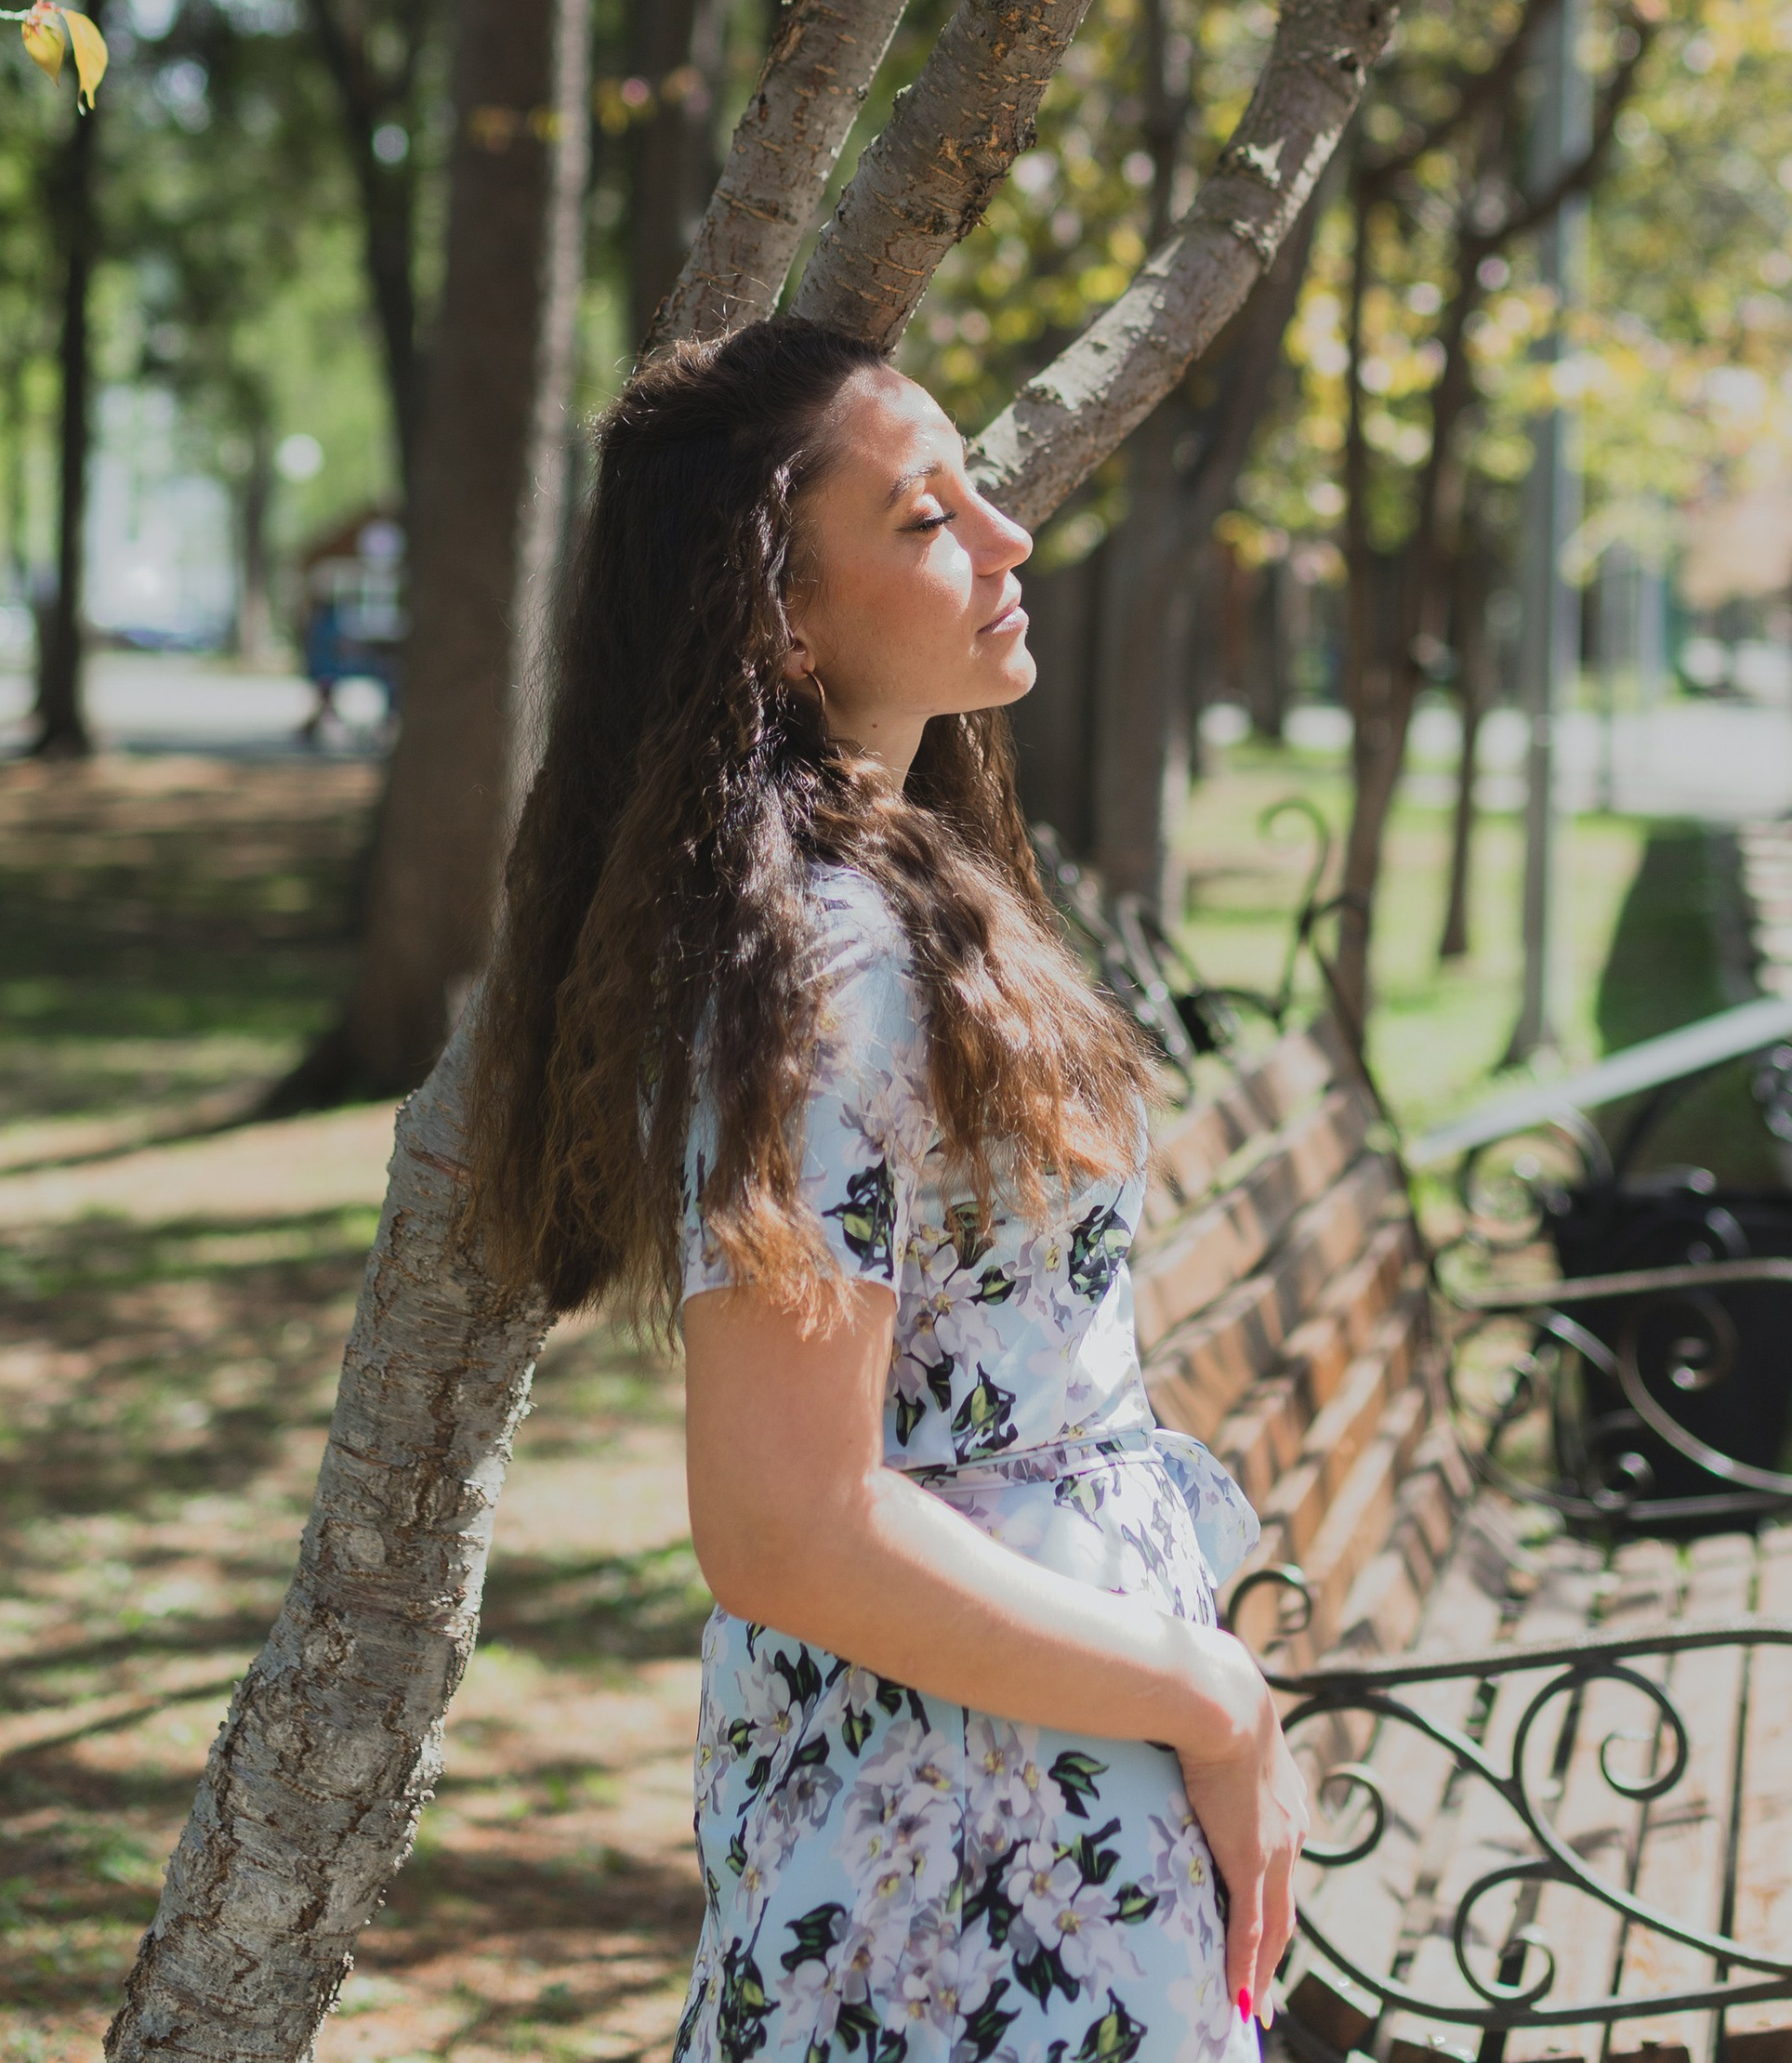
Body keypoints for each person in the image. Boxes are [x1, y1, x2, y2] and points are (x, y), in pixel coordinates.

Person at [464, 318, 1309, 2063]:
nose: (1003, 539)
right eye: (926, 520)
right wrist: (1209, 1697)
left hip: (1025, 1779)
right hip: (969, 1830)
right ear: (781, 618)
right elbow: (788, 1521)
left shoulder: (890, 881)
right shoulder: (830, 959)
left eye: (975, 493)